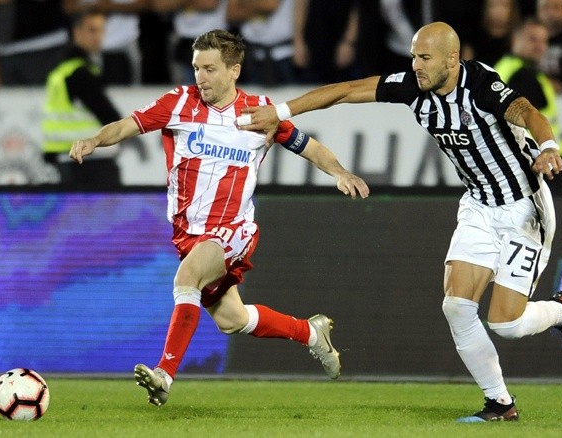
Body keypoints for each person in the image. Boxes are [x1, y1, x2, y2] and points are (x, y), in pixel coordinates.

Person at [238, 21, 562, 423]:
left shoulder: (481, 86)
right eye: (413, 56)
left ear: (452, 59)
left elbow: (527, 112)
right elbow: (344, 91)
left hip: (523, 208)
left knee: (506, 324)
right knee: (456, 307)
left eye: (425, 58)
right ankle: (500, 404)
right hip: (478, 205)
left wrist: (548, 146)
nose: (416, 65)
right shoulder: (412, 87)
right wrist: (280, 112)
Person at [69, 29, 369, 407]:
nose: (201, 77)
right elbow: (127, 125)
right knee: (232, 319)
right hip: (187, 233)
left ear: (233, 70)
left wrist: (340, 172)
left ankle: (164, 375)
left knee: (187, 278)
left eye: (210, 69)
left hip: (232, 229)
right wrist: (95, 140)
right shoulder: (179, 102)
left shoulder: (259, 113)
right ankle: (310, 333)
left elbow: (308, 147)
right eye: (197, 68)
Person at [42, 9, 139, 188]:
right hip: (90, 161)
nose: (98, 36)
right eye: (92, 30)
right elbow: (106, 113)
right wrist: (131, 132)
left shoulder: (62, 70)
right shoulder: (79, 73)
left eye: (101, 30)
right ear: (76, 32)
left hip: (67, 157)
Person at [494, 18, 562, 182]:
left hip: (532, 158)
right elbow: (529, 118)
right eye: (533, 40)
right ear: (515, 40)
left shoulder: (508, 68)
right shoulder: (522, 75)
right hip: (538, 160)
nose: (540, 46)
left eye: (544, 41)